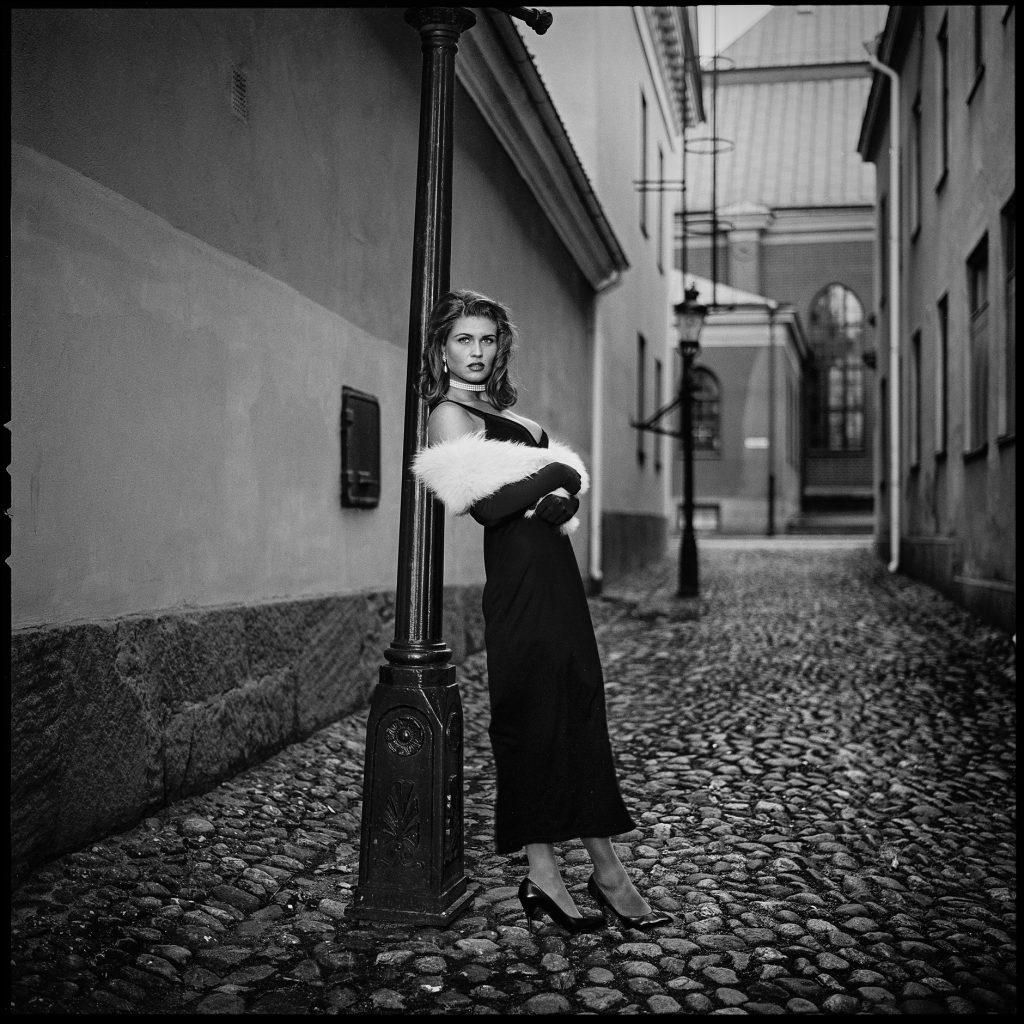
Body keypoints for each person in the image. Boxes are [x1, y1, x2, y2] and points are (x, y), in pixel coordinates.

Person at [412, 289, 672, 934]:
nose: (476, 352)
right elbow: (490, 506)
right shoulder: (446, 416)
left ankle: (604, 865)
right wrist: (558, 473)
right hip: (520, 584)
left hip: (557, 576)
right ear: (442, 349)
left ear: (501, 347)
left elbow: (544, 493)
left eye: (487, 340)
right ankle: (543, 870)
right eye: (463, 340)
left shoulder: (510, 417)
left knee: (579, 704)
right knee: (532, 715)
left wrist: (563, 495)